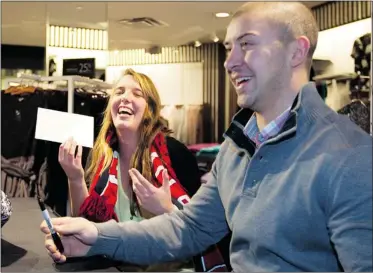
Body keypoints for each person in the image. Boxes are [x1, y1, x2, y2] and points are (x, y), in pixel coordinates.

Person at [41, 2, 372, 272]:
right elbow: (190, 229)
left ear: (296, 53)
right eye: (229, 48)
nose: (229, 62)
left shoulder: (349, 156)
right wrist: (95, 235)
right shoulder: (236, 147)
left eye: (247, 44)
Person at [53, 68, 227, 271]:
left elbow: (202, 230)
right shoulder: (101, 155)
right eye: (119, 92)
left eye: (137, 94)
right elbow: (86, 224)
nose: (125, 98)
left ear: (150, 110)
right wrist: (75, 178)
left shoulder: (175, 154)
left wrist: (166, 209)